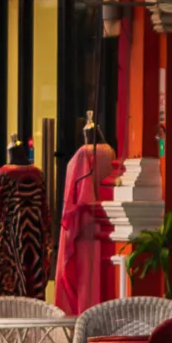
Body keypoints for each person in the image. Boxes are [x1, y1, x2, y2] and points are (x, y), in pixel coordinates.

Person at [55, 122, 119, 322]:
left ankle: (85, 329)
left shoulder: (84, 154)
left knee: (85, 283)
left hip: (83, 227)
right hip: (108, 224)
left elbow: (77, 198)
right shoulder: (111, 153)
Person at [0, 140, 49, 300]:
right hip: (35, 242)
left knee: (9, 293)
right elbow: (45, 213)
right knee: (33, 287)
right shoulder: (39, 175)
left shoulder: (4, 174)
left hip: (9, 243)